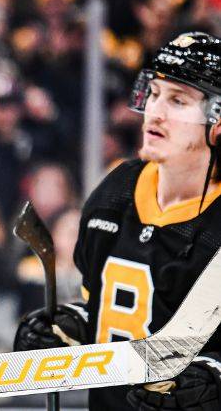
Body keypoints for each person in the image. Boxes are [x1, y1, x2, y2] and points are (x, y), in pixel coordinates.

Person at [14, 31, 221, 410]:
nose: (155, 112)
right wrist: (70, 326)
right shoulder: (118, 189)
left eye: (178, 100)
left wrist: (212, 381)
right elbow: (105, 306)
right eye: (154, 94)